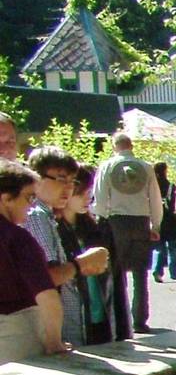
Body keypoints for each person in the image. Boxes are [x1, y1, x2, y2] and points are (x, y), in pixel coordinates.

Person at [24, 146, 110, 350]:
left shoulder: (48, 215)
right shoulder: (36, 215)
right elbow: (47, 279)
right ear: (36, 177)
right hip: (51, 333)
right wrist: (82, 264)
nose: (68, 188)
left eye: (73, 181)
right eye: (61, 179)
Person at [0, 158, 69, 360]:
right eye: (29, 197)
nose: (31, 205)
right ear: (6, 198)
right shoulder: (16, 238)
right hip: (15, 334)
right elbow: (47, 295)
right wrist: (55, 342)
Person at [57, 165, 115, 345]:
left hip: (100, 311)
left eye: (90, 191)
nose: (88, 197)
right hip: (72, 317)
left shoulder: (95, 227)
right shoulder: (54, 228)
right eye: (81, 192)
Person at [152, 162, 176, 282]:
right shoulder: (171, 186)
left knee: (158, 248)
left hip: (157, 219)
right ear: (165, 171)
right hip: (171, 221)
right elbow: (175, 205)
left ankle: (157, 270)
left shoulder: (152, 187)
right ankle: (174, 273)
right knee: (173, 248)